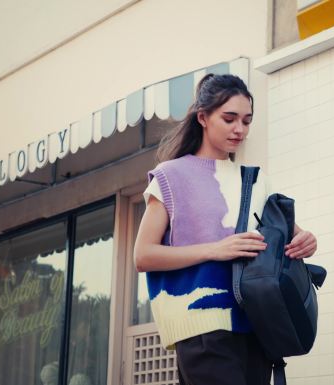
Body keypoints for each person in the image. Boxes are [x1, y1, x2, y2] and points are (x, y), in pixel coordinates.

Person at [133, 73, 317, 385]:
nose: (239, 129)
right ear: (203, 117)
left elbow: (291, 233)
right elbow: (143, 255)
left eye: (247, 121)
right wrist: (215, 250)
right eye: (229, 118)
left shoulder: (256, 180)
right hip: (202, 323)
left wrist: (306, 240)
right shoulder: (170, 177)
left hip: (258, 322)